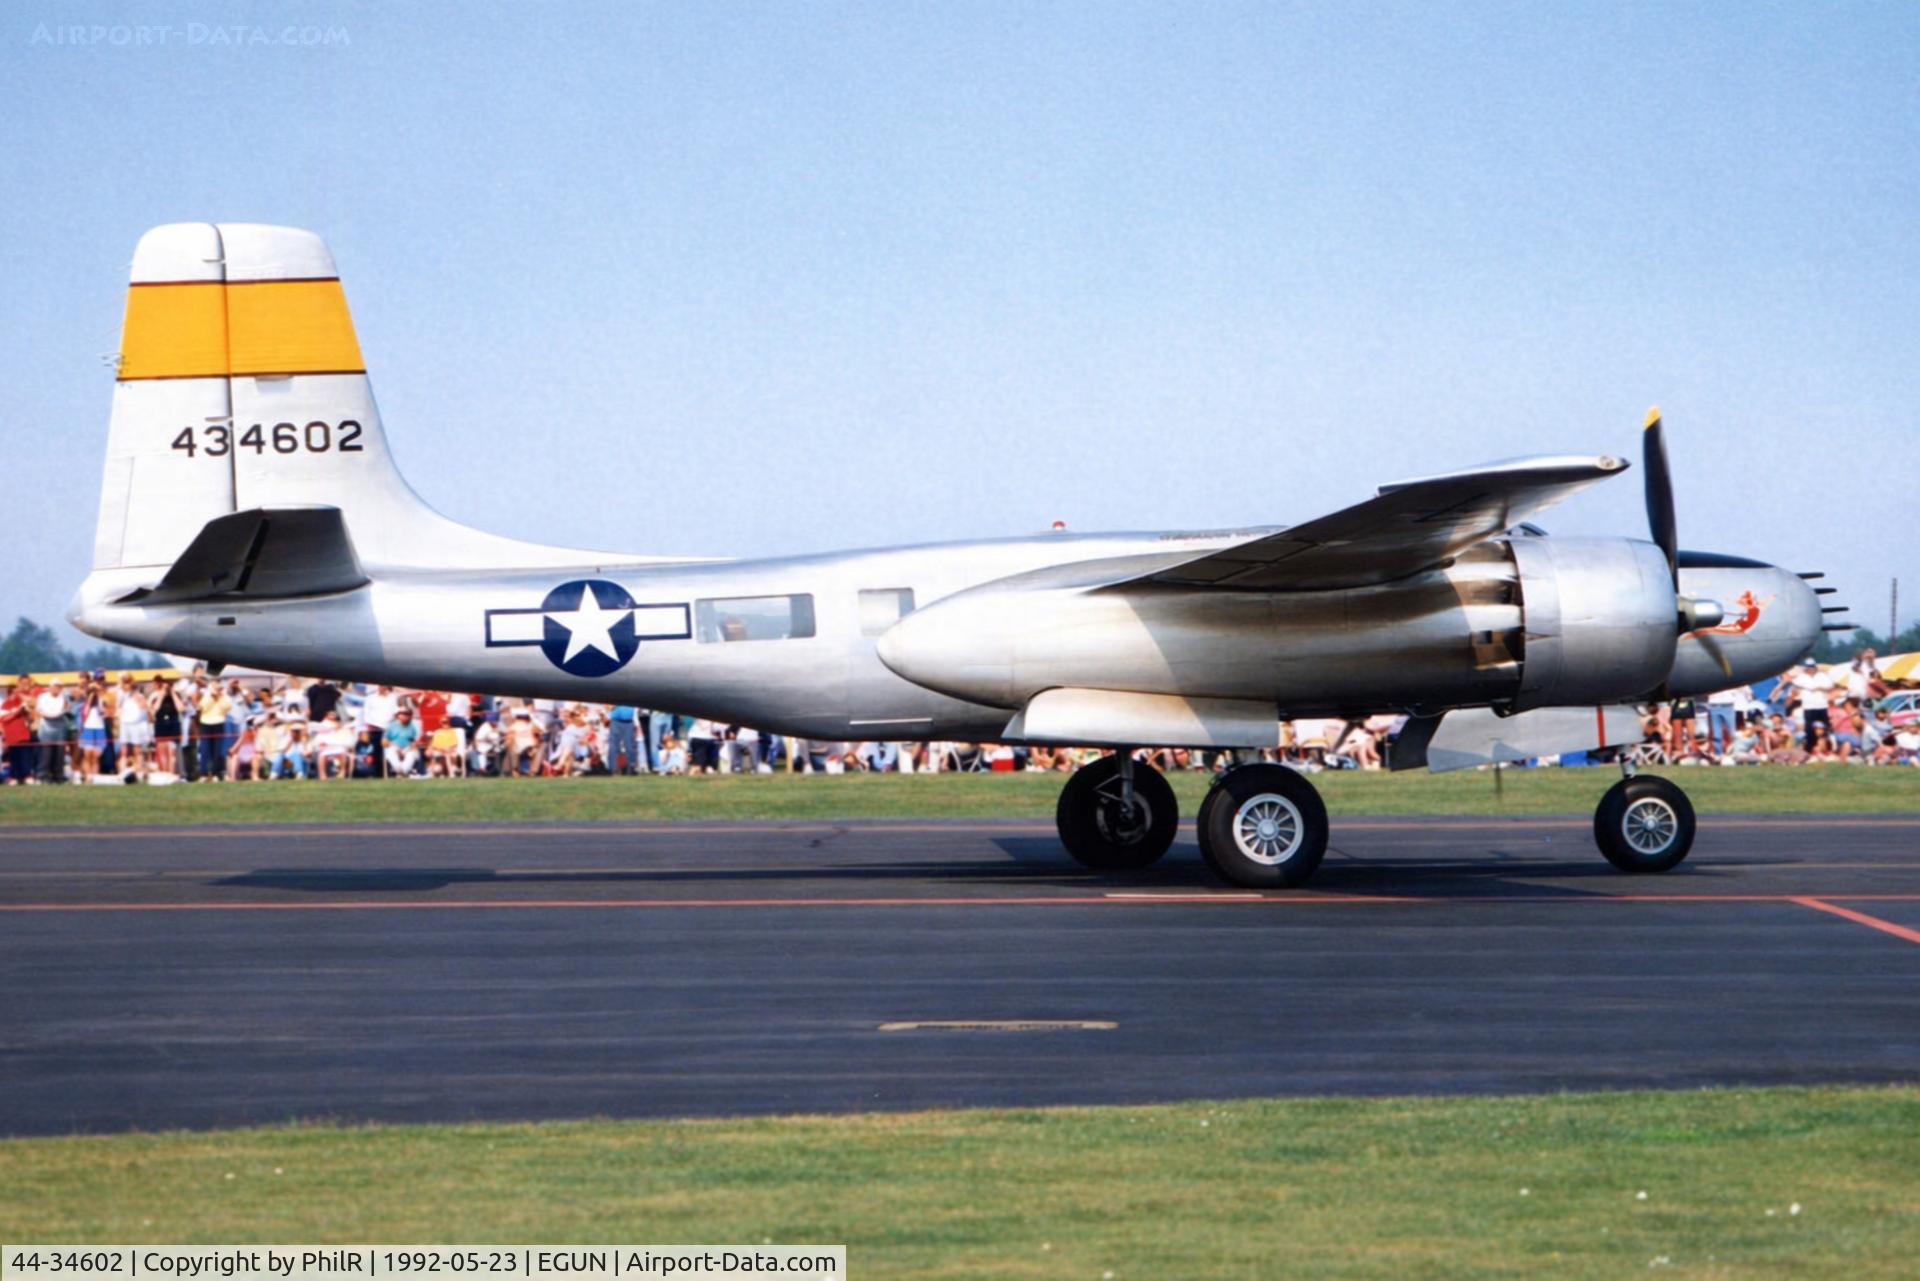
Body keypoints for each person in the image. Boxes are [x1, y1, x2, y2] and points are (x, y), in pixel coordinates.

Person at [115, 674, 153, 781]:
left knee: (137, 750)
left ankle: (139, 772)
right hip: (125, 724)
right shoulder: (121, 695)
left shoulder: (137, 695)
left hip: (136, 724)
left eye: (127, 682)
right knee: (124, 750)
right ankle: (122, 772)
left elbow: (145, 708)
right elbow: (119, 708)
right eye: (124, 682)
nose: (126, 685)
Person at [35, 679, 71, 783]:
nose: (57, 689)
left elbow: (65, 709)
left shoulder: (63, 697)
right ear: (50, 687)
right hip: (46, 726)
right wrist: (51, 715)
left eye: (59, 687)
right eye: (55, 686)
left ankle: (58, 775)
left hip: (59, 726)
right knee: (46, 753)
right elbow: (40, 710)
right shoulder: (42, 697)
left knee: (60, 753)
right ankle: (44, 775)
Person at [195, 680, 232, 780]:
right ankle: (203, 774)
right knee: (205, 750)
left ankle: (216, 773)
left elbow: (227, 708)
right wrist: (212, 697)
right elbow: (201, 707)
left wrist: (219, 697)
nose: (217, 689)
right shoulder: (206, 696)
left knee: (218, 751)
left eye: (218, 687)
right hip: (206, 723)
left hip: (219, 723)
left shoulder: (224, 696)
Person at [1, 679, 34, 784]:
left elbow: (29, 718)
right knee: (13, 757)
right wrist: (18, 710)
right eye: (14, 692)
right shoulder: (4, 705)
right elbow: (5, 718)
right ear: (9, 693)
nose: (17, 695)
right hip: (11, 736)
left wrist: (26, 709)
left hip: (23, 735)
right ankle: (13, 776)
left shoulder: (21, 705)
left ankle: (27, 775)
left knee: (25, 756)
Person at [151, 677, 184, 776]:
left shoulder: (176, 695)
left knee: (171, 752)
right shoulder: (156, 695)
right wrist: (162, 694)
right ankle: (164, 774)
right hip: (161, 725)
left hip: (173, 725)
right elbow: (155, 708)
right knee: (162, 752)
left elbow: (181, 709)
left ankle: (171, 774)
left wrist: (172, 693)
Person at [383, 706, 421, 776]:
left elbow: (416, 741)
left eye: (408, 714)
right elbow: (384, 741)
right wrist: (394, 746)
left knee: (412, 754)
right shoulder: (391, 726)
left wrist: (408, 748)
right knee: (390, 753)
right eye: (403, 714)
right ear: (398, 715)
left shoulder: (413, 726)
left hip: (408, 748)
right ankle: (399, 769)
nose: (406, 716)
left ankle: (402, 771)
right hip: (394, 747)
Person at [608, 704, 641, 775]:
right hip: (616, 721)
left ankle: (631, 767)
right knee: (614, 746)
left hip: (629, 722)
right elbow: (608, 706)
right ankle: (613, 769)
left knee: (630, 746)